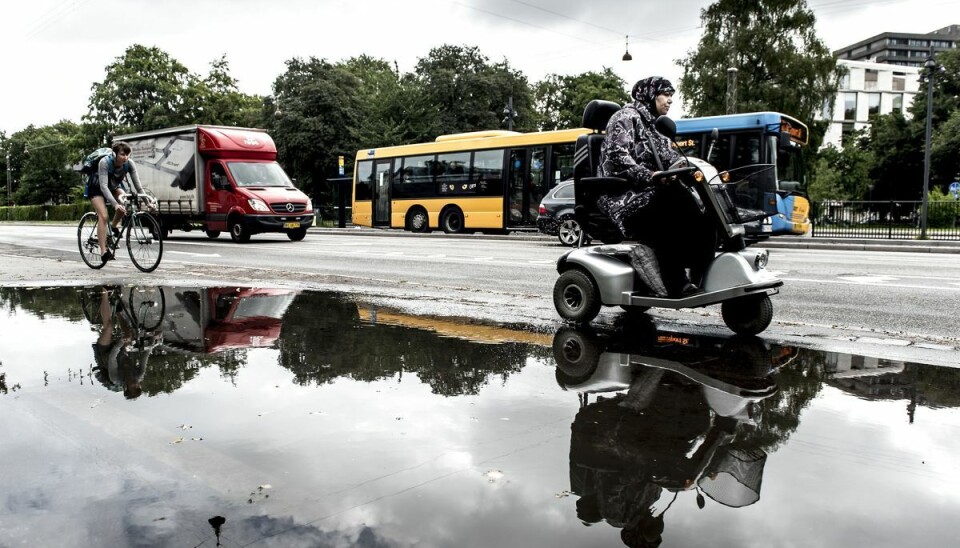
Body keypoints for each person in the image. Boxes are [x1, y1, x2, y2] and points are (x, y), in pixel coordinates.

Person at [596, 77, 712, 298]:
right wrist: (650, 176)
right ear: (650, 95)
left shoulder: (655, 125)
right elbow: (618, 157)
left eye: (671, 96)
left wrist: (686, 166)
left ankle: (702, 272)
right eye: (666, 95)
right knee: (671, 209)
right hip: (622, 197)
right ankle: (677, 284)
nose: (670, 101)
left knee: (702, 213)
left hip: (650, 193)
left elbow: (670, 157)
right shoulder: (624, 118)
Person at [87, 141, 145, 263]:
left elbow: (138, 187)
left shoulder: (129, 164)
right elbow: (103, 186)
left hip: (113, 186)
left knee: (125, 200)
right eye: (122, 154)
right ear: (114, 154)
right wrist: (115, 204)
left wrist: (147, 202)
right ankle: (103, 251)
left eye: (127, 155)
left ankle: (112, 228)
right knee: (103, 216)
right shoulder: (105, 162)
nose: (125, 157)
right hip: (97, 187)